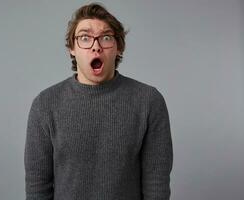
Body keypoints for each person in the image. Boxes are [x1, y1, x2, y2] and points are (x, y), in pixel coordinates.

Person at [24, 3, 173, 200]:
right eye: (84, 38)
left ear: (119, 47)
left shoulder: (149, 102)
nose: (96, 46)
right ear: (72, 49)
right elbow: (37, 189)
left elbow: (157, 188)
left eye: (106, 37)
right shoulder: (45, 105)